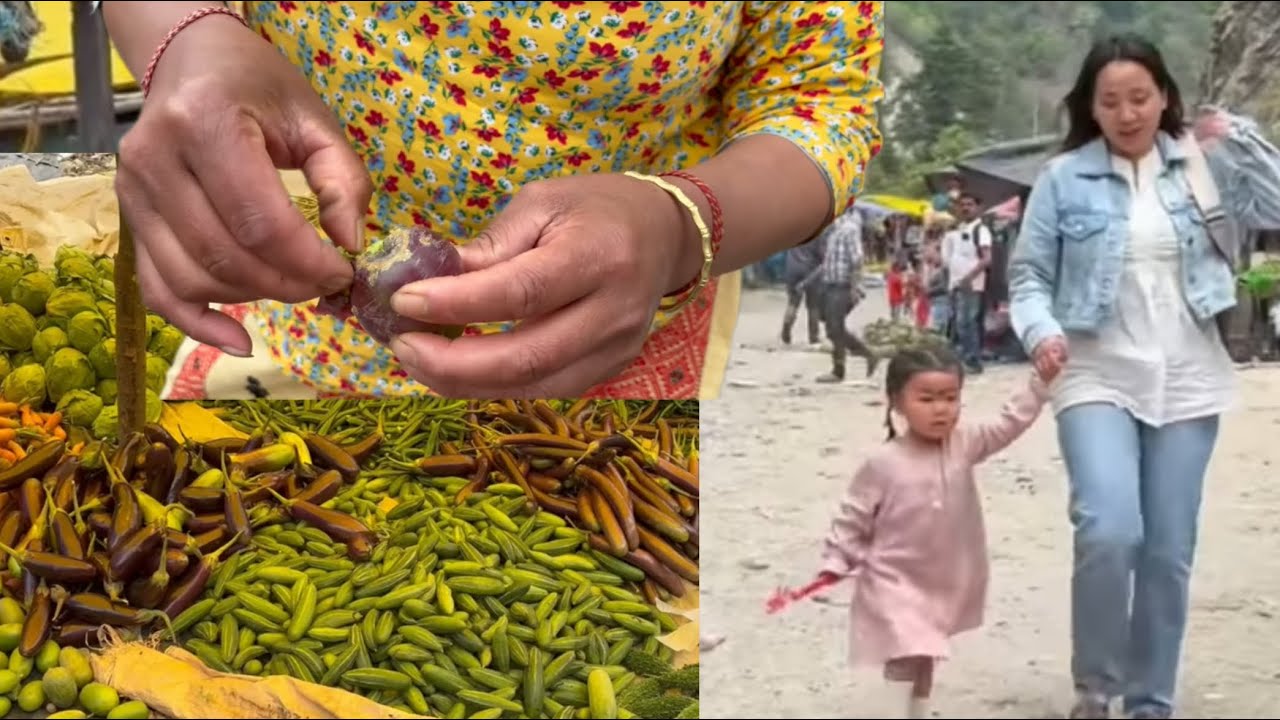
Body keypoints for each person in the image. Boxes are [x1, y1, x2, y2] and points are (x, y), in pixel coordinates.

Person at [100, 1, 886, 400]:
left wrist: (680, 226)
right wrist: (189, 38)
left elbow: (820, 101)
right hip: (295, 317)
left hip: (616, 347)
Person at [1008, 33, 1280, 720]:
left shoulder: (1200, 167)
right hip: (1093, 370)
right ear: (1090, 108)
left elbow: (1275, 206)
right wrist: (1040, 333)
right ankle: (1097, 687)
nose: (1127, 113)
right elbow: (1029, 276)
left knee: (1167, 549)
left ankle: (1150, 701)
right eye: (1110, 101)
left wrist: (1237, 136)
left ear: (1164, 98)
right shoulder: (1062, 178)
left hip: (1189, 374)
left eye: (1140, 97)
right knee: (1108, 529)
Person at [811, 347, 1055, 718]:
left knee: (925, 655)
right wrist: (835, 560)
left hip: (941, 580)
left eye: (950, 398)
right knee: (904, 654)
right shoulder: (883, 463)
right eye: (926, 399)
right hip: (893, 579)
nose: (940, 409)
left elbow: (1008, 424)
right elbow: (852, 517)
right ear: (897, 401)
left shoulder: (965, 443)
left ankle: (917, 712)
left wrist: (1038, 385)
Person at [813, 207, 879, 383]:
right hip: (830, 284)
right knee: (832, 327)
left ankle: (840, 369)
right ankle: (866, 354)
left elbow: (857, 259)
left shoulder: (849, 229)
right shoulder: (835, 230)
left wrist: (854, 287)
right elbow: (830, 261)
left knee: (835, 327)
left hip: (842, 285)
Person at [941, 193, 992, 374]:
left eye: (970, 204)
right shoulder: (960, 229)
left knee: (967, 323)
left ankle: (973, 360)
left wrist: (968, 278)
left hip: (971, 285)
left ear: (978, 208)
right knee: (960, 324)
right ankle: (966, 358)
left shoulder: (981, 230)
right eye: (962, 205)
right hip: (957, 284)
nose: (965, 208)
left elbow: (987, 259)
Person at [781, 235, 826, 347]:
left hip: (792, 269)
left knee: (792, 303)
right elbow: (822, 256)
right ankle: (813, 337)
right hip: (810, 270)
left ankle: (786, 329)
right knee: (813, 306)